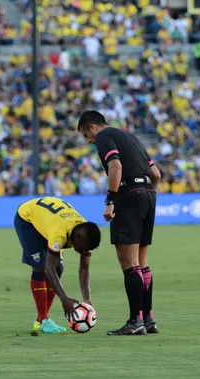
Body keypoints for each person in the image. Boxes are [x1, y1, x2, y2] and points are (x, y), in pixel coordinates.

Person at [77, 110, 162, 336]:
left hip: (128, 195)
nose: (88, 140)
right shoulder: (131, 137)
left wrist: (111, 201)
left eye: (86, 134)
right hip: (148, 195)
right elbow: (156, 174)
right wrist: (146, 196)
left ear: (93, 127)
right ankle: (148, 319)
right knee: (142, 261)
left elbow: (116, 167)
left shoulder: (104, 137)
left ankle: (135, 322)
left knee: (129, 262)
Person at [14, 196, 101, 333]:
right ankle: (43, 319)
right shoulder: (60, 232)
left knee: (59, 269)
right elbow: (49, 269)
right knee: (41, 267)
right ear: (77, 238)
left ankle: (42, 319)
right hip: (28, 220)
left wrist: (87, 299)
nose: (85, 252)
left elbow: (84, 269)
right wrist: (64, 299)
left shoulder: (86, 234)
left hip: (47, 221)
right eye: (84, 249)